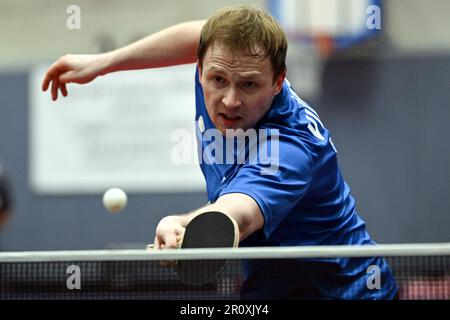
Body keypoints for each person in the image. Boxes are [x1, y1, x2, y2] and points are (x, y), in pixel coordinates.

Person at [42, 6, 397, 299]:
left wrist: (186, 228)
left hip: (346, 292)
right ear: (200, 70)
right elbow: (198, 35)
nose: (230, 100)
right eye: (218, 80)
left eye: (249, 85)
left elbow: (237, 214)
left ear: (278, 82)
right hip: (271, 286)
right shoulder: (221, 60)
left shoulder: (293, 146)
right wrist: (104, 63)